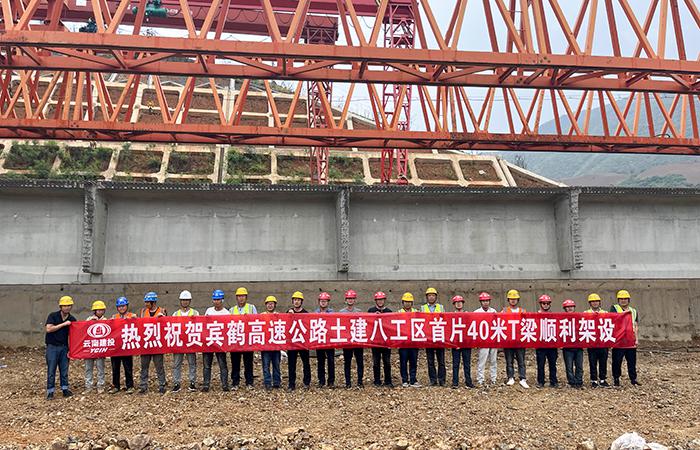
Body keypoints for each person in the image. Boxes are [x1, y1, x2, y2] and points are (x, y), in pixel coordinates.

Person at [45, 295, 77, 400]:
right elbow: (49, 329)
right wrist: (63, 324)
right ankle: (50, 391)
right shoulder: (53, 316)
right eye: (65, 305)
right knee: (51, 370)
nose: (67, 307)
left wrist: (72, 350)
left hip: (64, 348)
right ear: (61, 306)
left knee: (64, 370)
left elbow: (75, 335)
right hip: (52, 347)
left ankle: (65, 389)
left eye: (69, 305)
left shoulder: (72, 319)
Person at [138, 291, 167, 394]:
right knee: (144, 366)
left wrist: (163, 318)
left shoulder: (162, 311)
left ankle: (162, 384)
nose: (146, 304)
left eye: (147, 302)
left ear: (153, 302)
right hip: (146, 343)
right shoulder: (143, 312)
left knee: (159, 366)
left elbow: (166, 325)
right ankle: (143, 386)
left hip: (157, 343)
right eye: (145, 302)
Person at [610, 289, 640, 386]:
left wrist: (636, 339)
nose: (623, 301)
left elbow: (635, 325)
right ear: (618, 300)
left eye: (625, 299)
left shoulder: (633, 311)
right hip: (619, 340)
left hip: (630, 340)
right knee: (617, 361)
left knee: (632, 361)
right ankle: (616, 378)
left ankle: (633, 379)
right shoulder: (614, 308)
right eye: (621, 299)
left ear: (628, 300)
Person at [202, 289, 230, 392]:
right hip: (209, 342)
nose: (216, 302)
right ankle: (206, 385)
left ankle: (225, 384)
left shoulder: (226, 313)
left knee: (222, 364)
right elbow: (204, 324)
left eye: (218, 299)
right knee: (206, 365)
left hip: (220, 342)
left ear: (222, 300)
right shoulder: (209, 311)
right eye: (215, 299)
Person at [171, 290, 199, 393]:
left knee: (192, 363)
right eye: (183, 300)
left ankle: (192, 382)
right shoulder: (175, 314)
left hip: (191, 342)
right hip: (179, 342)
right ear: (180, 301)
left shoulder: (195, 313)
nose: (185, 302)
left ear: (190, 301)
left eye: (187, 300)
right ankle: (176, 383)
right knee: (177, 364)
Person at [229, 287, 257, 389]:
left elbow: (256, 321)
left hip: (247, 340)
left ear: (246, 297)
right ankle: (235, 382)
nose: (241, 298)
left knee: (248, 362)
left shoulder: (251, 308)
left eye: (243, 296)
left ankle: (249, 382)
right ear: (236, 298)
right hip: (235, 340)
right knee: (235, 362)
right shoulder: (232, 310)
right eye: (239, 296)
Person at [502, 289, 529, 388]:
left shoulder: (523, 311)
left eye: (515, 299)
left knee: (521, 361)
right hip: (508, 340)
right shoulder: (504, 311)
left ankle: (522, 378)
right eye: (511, 299)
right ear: (508, 300)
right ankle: (510, 377)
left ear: (518, 300)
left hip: (519, 340)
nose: (513, 300)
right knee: (509, 361)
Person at [109, 296, 136, 394]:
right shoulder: (114, 317)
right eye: (120, 306)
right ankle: (116, 386)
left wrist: (134, 319)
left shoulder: (132, 315)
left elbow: (138, 325)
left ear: (127, 306)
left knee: (128, 367)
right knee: (115, 367)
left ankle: (130, 386)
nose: (121, 308)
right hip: (116, 347)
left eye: (123, 306)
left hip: (126, 346)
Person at [421, 287, 446, 386]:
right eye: (429, 295)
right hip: (428, 337)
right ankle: (433, 380)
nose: (431, 297)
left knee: (441, 361)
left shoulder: (441, 307)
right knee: (430, 361)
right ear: (427, 297)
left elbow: (445, 320)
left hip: (439, 336)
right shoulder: (423, 308)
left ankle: (442, 380)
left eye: (433, 295)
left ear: (436, 297)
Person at [286, 291, 311, 390]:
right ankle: (291, 384)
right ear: (292, 301)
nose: (296, 302)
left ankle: (307, 382)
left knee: (306, 363)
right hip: (292, 342)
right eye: (295, 300)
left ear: (301, 301)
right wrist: (289, 315)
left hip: (302, 342)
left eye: (298, 300)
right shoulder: (288, 312)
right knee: (291, 364)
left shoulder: (306, 313)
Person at [339, 289, 364, 388]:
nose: (350, 300)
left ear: (355, 300)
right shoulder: (341, 312)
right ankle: (348, 382)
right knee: (347, 362)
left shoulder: (359, 312)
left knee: (360, 361)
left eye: (352, 298)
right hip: (347, 341)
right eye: (348, 298)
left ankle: (360, 381)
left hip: (358, 340)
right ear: (346, 300)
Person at [368, 291, 393, 387]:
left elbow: (391, 326)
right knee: (376, 362)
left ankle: (388, 381)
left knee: (387, 361)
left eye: (381, 300)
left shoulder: (389, 312)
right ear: (375, 301)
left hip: (386, 341)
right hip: (375, 341)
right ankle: (377, 381)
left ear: (384, 300)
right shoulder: (371, 311)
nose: (380, 302)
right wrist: (374, 316)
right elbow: (368, 323)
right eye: (378, 300)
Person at [585, 293, 610, 388]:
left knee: (603, 362)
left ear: (600, 302)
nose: (595, 303)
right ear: (590, 303)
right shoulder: (586, 313)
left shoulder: (605, 313)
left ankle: (603, 379)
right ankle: (594, 380)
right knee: (592, 362)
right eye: (593, 301)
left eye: (597, 301)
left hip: (603, 341)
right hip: (592, 342)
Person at [535, 294, 558, 388]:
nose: (545, 305)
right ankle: (541, 381)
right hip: (541, 344)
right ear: (540, 304)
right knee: (540, 364)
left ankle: (553, 381)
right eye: (543, 303)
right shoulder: (535, 315)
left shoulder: (553, 315)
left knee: (552, 364)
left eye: (547, 303)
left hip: (551, 343)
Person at [474, 292, 498, 386]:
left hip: (492, 339)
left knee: (493, 360)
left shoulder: (493, 311)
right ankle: (480, 379)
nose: (485, 303)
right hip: (483, 340)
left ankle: (493, 378)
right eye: (484, 301)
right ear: (481, 302)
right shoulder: (476, 312)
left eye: (487, 301)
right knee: (482, 360)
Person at [84, 300, 108, 394]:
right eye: (98, 310)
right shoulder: (89, 319)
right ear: (94, 311)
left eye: (102, 310)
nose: (100, 312)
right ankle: (88, 386)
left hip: (100, 348)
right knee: (88, 368)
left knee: (100, 368)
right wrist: (90, 322)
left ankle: (101, 385)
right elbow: (83, 329)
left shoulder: (106, 320)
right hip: (90, 348)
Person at [450, 295, 474, 388]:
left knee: (467, 363)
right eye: (457, 302)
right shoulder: (451, 315)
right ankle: (455, 382)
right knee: (455, 363)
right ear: (454, 304)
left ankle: (468, 381)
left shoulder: (467, 314)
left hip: (466, 342)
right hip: (456, 343)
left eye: (460, 302)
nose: (459, 304)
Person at [398, 292, 420, 388]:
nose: (407, 304)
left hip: (414, 341)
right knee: (403, 362)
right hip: (403, 342)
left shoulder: (416, 312)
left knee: (413, 361)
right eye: (406, 302)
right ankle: (404, 380)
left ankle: (413, 379)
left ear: (412, 303)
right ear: (403, 302)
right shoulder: (399, 312)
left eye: (409, 302)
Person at [314, 292, 336, 388]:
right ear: (319, 302)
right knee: (320, 361)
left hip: (330, 340)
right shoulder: (315, 313)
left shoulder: (332, 312)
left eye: (325, 301)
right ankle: (321, 381)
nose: (323, 303)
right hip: (320, 340)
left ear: (328, 302)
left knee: (331, 361)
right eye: (321, 301)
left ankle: (331, 381)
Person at [261, 296, 282, 389]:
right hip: (265, 345)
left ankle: (277, 382)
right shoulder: (262, 315)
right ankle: (267, 382)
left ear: (275, 305)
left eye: (272, 304)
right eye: (268, 304)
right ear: (266, 305)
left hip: (276, 345)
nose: (270, 305)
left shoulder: (279, 315)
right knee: (266, 365)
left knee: (276, 364)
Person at [562, 299, 584, 389]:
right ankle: (571, 382)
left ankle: (579, 381)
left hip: (578, 346)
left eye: (571, 306)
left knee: (579, 366)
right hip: (567, 347)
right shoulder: (562, 319)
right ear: (565, 309)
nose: (570, 308)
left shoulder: (580, 317)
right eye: (567, 307)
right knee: (569, 367)